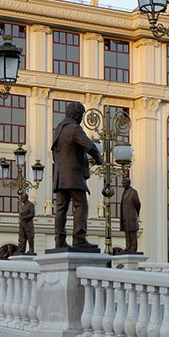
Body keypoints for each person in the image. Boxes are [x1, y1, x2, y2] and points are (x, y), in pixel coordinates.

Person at [49, 101, 101, 251]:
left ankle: (59, 241)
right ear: (78, 115)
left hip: (60, 175)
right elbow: (90, 146)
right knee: (81, 205)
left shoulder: (58, 129)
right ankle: (79, 239)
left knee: (61, 208)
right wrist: (98, 158)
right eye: (82, 115)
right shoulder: (74, 129)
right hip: (73, 174)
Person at [118, 176, 142, 255]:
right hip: (125, 217)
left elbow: (138, 204)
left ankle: (133, 247)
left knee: (132, 233)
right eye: (122, 183)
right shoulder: (124, 193)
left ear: (128, 183)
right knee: (127, 233)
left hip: (131, 217)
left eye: (124, 183)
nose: (123, 184)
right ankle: (128, 246)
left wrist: (135, 213)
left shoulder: (133, 192)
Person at [16, 190, 36, 256]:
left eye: (22, 198)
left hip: (28, 224)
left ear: (25, 198)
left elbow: (32, 214)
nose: (21, 199)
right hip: (23, 224)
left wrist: (24, 218)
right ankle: (22, 249)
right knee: (22, 237)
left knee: (30, 237)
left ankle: (31, 249)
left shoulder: (30, 204)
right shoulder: (23, 206)